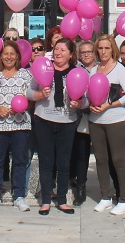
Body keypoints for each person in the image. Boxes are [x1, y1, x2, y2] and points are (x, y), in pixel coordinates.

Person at [31, 38, 84, 215]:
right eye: (56, 49)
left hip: (67, 122)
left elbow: (86, 98)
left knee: (63, 163)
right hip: (43, 120)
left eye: (62, 50)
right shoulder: (43, 68)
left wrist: (80, 103)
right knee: (46, 162)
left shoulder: (78, 72)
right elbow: (28, 92)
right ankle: (45, 200)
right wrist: (39, 94)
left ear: (70, 54)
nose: (58, 53)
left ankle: (62, 199)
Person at [88, 34, 125, 215]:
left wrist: (110, 104)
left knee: (118, 160)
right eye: (100, 48)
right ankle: (105, 196)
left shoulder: (119, 69)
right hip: (96, 120)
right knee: (101, 160)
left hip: (116, 119)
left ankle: (124, 199)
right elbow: (89, 94)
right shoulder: (94, 70)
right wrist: (90, 103)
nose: (103, 51)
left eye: (107, 48)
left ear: (112, 49)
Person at [0, 41, 33, 213]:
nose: (8, 57)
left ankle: (19, 196)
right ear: (0, 57)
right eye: (5, 54)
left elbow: (32, 98)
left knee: (20, 161)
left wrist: (22, 106)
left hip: (20, 124)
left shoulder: (25, 75)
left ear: (18, 57)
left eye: (12, 54)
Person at [70, 40, 96, 204]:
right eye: (83, 52)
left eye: (89, 51)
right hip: (80, 117)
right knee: (81, 153)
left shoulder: (101, 69)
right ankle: (81, 187)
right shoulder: (75, 70)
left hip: (100, 114)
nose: (86, 54)